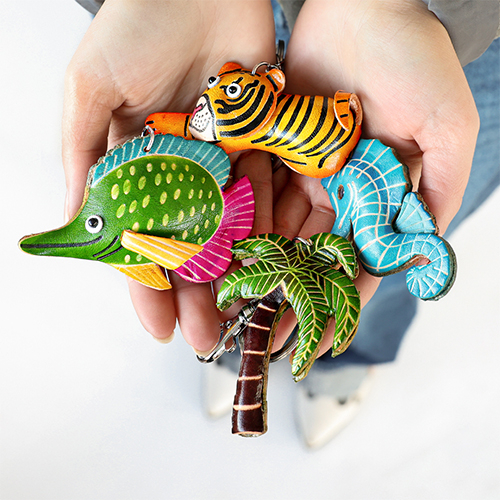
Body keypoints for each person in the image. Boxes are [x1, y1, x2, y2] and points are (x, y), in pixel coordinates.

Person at [66, 0, 500, 447]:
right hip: (222, 37)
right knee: (246, 286)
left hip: (441, 37)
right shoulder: (224, 116)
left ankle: (347, 359)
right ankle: (232, 341)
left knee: (369, 275)